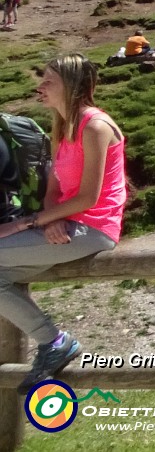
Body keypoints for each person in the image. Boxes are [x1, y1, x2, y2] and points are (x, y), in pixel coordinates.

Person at [0, 55, 127, 387]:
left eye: (49, 80)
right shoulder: (62, 126)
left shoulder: (95, 126)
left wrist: (24, 223)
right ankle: (54, 342)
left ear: (70, 86)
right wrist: (48, 219)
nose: (40, 85)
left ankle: (53, 342)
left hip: (95, 228)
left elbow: (89, 197)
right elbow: (54, 187)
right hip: (67, 223)